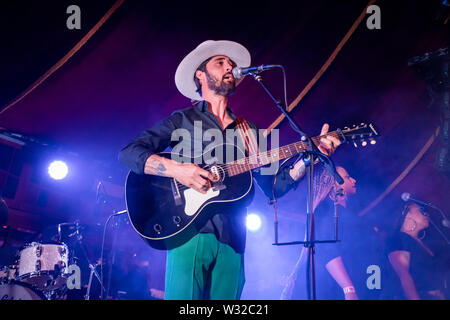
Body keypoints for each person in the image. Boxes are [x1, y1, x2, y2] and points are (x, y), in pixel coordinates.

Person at [118, 40, 340, 300]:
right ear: (200, 74)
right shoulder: (182, 120)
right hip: (188, 232)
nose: (230, 67)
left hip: (234, 238)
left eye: (231, 64)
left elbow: (274, 187)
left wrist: (310, 158)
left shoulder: (251, 131)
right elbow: (129, 153)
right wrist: (177, 170)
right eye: (220, 62)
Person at [283, 166, 385, 300]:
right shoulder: (327, 213)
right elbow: (328, 251)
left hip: (362, 285)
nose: (354, 180)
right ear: (333, 185)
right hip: (336, 289)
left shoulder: (348, 213)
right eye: (348, 178)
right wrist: (348, 289)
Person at [387, 202, 446, 300]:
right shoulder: (399, 239)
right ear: (406, 214)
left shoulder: (420, 241)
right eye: (421, 210)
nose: (426, 214)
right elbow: (404, 276)